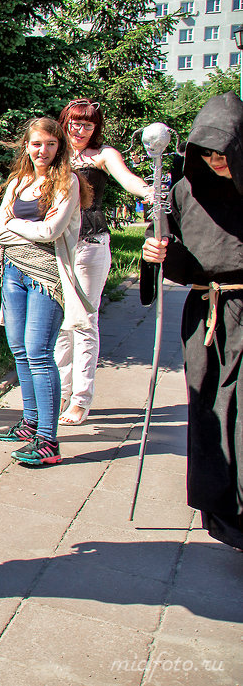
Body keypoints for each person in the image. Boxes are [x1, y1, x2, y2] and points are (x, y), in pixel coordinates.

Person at [141, 92, 243, 552]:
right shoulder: (183, 191)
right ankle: (218, 506)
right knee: (206, 410)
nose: (216, 162)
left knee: (240, 409)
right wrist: (159, 253)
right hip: (203, 313)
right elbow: (177, 260)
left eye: (225, 153)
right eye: (207, 152)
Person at [0, 118, 94, 466]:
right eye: (35, 144)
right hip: (12, 271)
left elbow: (52, 231)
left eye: (49, 144)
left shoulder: (68, 182)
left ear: (59, 146)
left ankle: (48, 441)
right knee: (19, 349)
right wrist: (23, 227)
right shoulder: (19, 181)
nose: (41, 151)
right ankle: (30, 424)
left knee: (39, 351)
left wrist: (16, 224)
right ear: (26, 147)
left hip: (47, 276)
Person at [55, 99, 153, 425]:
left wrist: (150, 192)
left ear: (96, 128)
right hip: (53, 248)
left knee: (83, 322)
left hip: (89, 245)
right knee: (58, 324)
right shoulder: (53, 152)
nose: (80, 130)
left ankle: (80, 399)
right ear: (64, 121)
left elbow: (127, 179)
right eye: (75, 123)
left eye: (88, 124)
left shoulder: (102, 156)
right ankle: (60, 393)